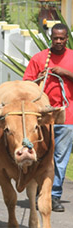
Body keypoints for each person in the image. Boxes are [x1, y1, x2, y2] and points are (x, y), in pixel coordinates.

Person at [23, 23, 73, 212]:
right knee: (40, 155)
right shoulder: (40, 58)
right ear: (50, 38)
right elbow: (26, 84)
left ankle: (54, 195)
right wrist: (38, 78)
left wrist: (65, 73)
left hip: (67, 116)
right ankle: (39, 190)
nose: (58, 41)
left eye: (62, 38)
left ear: (66, 38)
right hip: (42, 116)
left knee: (60, 158)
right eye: (55, 38)